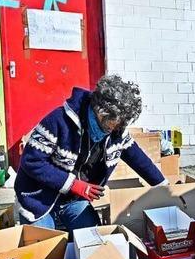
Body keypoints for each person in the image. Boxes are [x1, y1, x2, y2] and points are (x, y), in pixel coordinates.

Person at [15, 75, 168, 231]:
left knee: (93, 237)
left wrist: (165, 187)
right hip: (38, 198)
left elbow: (138, 159)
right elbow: (31, 162)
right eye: (113, 124)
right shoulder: (58, 121)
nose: (117, 129)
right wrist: (73, 184)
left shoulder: (117, 130)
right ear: (101, 113)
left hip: (73, 200)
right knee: (44, 247)